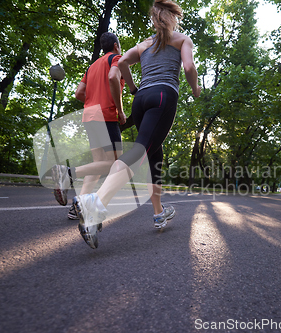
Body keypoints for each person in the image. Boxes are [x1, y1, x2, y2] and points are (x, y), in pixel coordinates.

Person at [72, 0, 201, 249]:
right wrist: (195, 88)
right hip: (163, 96)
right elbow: (188, 66)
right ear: (173, 18)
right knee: (141, 149)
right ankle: (95, 204)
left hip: (141, 100)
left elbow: (121, 64)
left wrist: (132, 88)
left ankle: (158, 211)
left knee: (154, 151)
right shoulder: (182, 39)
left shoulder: (143, 45)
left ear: (154, 20)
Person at [52, 32, 136, 220]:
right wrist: (120, 111)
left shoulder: (92, 67)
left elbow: (79, 93)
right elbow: (113, 78)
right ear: (116, 46)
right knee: (115, 164)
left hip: (90, 115)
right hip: (106, 114)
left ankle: (78, 207)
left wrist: (92, 101)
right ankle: (67, 173)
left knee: (99, 165)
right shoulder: (117, 59)